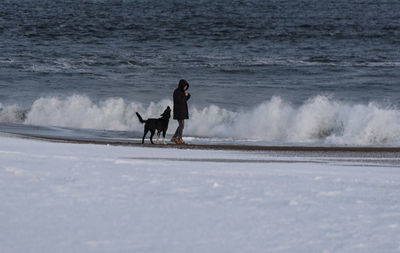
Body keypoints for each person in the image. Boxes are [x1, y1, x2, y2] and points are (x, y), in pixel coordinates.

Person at [171, 79, 191, 144]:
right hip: (178, 111)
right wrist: (185, 96)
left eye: (186, 86)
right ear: (181, 85)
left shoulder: (182, 92)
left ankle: (174, 137)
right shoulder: (176, 92)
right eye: (185, 86)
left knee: (181, 125)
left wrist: (188, 96)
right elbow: (179, 101)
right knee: (181, 125)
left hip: (181, 111)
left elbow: (184, 100)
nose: (185, 88)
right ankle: (179, 139)